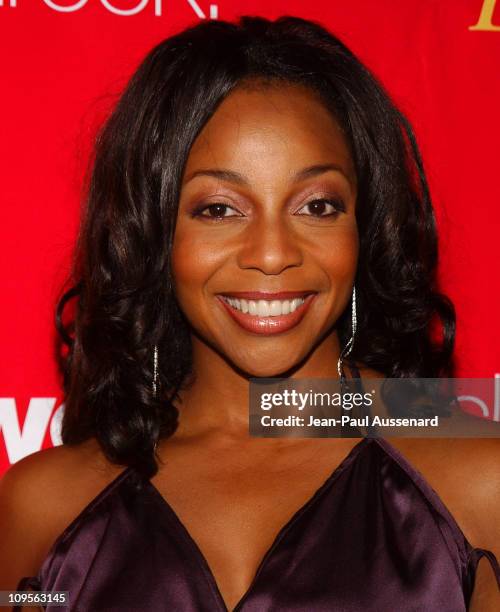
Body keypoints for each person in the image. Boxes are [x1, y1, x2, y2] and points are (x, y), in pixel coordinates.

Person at [0, 14, 499, 612]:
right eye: (218, 209)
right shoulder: (44, 512)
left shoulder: (478, 485)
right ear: (155, 234)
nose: (271, 255)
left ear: (365, 229)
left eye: (317, 205)